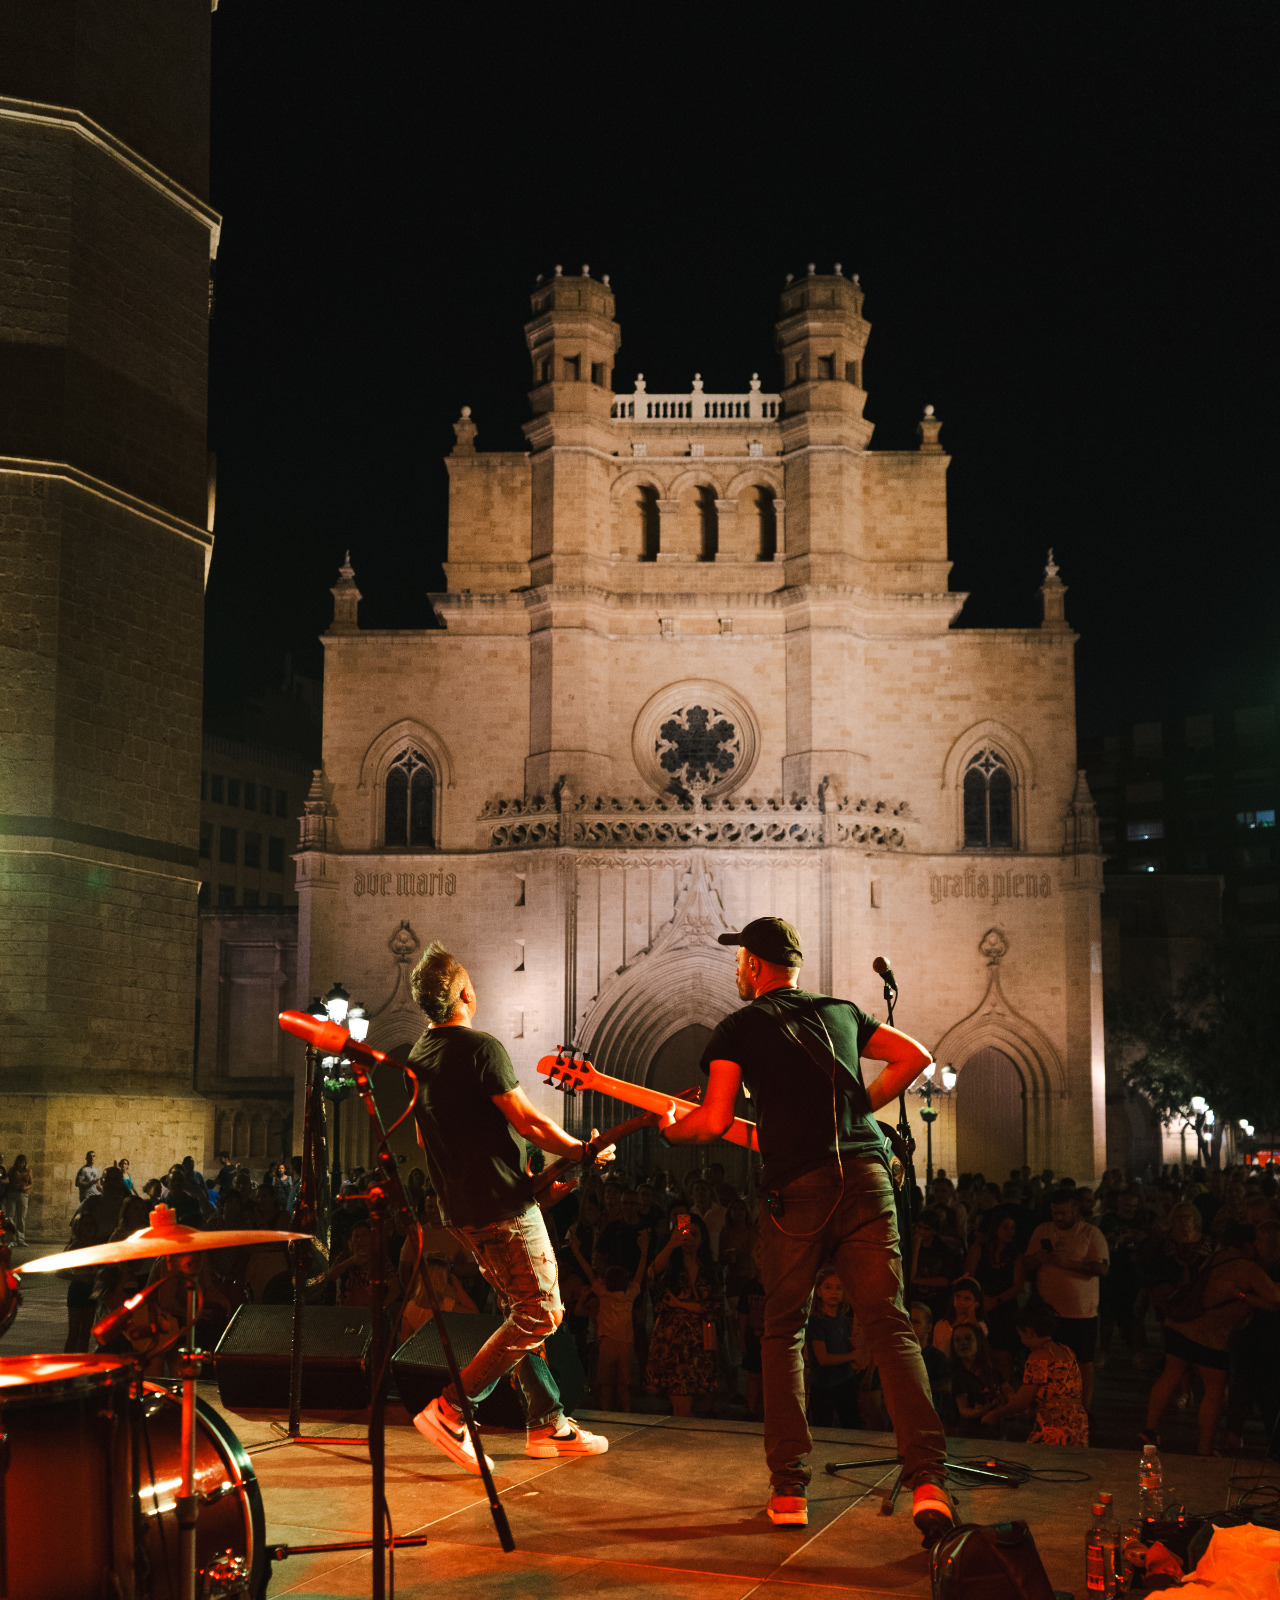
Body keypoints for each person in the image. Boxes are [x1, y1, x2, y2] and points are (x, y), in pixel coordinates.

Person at [662, 916, 953, 1540]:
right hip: (867, 1178)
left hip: (798, 1188)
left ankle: (790, 1489)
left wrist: (671, 1127)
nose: (737, 970)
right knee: (890, 1325)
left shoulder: (738, 1027)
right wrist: (859, 1108)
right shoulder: (842, 1013)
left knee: (783, 1329)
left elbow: (713, 1122)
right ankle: (929, 1481)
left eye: (740, 960)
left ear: (757, 967)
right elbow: (917, 1058)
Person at [406, 943, 611, 1473]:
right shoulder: (480, 1048)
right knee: (542, 1314)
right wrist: (582, 1151)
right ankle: (452, 1408)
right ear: (466, 994)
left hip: (467, 1208)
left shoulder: (418, 1056)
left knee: (518, 1312)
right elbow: (529, 1123)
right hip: (500, 1206)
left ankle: (548, 1425)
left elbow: (435, 1140)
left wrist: (526, 1183)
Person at [1142, 1221, 1280, 1456]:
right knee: (1214, 1389)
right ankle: (1204, 1447)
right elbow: (1276, 1299)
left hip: (1181, 1324)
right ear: (1248, 1244)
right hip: (1211, 1335)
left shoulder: (1218, 1257)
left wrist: (1242, 1295)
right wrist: (1243, 1295)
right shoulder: (1248, 1269)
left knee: (1170, 1375)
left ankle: (1149, 1429)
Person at [1023, 1188, 1109, 1410]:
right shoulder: (1042, 1230)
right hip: (1048, 1310)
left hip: (1081, 1311)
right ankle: (1050, 1403)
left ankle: (1083, 1407)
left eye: (1063, 1213)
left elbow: (1102, 1268)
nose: (1058, 1218)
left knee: (1082, 1360)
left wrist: (1070, 1264)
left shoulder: (1090, 1233)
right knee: (1047, 1357)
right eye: (1054, 1213)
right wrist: (1037, 1258)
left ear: (1075, 1210)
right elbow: (1026, 1263)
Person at [644, 1215, 723, 1415]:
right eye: (685, 1234)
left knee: (698, 1402)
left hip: (700, 1342)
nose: (688, 1239)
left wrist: (681, 1304)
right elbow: (651, 1274)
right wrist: (672, 1244)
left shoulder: (709, 1269)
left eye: (694, 1234)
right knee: (681, 1401)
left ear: (702, 1238)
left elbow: (713, 1305)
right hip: (673, 1343)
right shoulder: (670, 1266)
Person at [981, 1300, 1089, 1446]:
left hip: (1054, 1424)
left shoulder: (1039, 1357)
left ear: (1029, 1331)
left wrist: (994, 1414)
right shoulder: (1067, 1351)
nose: (1021, 1340)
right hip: (1077, 1424)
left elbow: (1022, 1402)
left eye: (1020, 1335)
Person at [570, 1225, 649, 1411]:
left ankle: (607, 1416)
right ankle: (626, 1414)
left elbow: (588, 1270)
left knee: (605, 1384)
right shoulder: (629, 1295)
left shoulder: (603, 1293)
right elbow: (639, 1275)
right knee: (623, 1385)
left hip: (606, 1343)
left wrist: (576, 1251)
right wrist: (644, 1252)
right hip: (626, 1343)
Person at [806, 1271, 865, 1428]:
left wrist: (856, 1348)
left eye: (839, 1288)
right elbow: (823, 1358)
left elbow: (846, 1348)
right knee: (822, 1426)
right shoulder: (816, 1322)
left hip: (844, 1380)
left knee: (851, 1423)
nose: (834, 1292)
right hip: (824, 1384)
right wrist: (852, 1355)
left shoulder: (843, 1319)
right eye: (828, 1287)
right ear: (818, 1291)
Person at [949, 1324, 1007, 1437]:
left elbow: (1007, 1390)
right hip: (972, 1436)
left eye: (968, 1338)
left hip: (998, 1432)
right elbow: (963, 1409)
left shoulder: (992, 1369)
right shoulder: (958, 1376)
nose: (963, 1343)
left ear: (979, 1341)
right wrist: (983, 1412)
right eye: (957, 1340)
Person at [931, 1277, 988, 1358]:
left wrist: (971, 1314)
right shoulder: (942, 1324)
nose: (961, 1302)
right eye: (958, 1296)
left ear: (976, 1302)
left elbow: (979, 1344)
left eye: (967, 1298)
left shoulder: (980, 1325)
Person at [3, 1155, 33, 1245]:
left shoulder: (28, 1171)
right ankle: (10, 1239)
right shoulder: (12, 1170)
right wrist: (15, 1186)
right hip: (12, 1194)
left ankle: (20, 1239)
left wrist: (26, 1187)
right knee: (10, 1217)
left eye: (23, 1162)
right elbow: (7, 1180)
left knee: (21, 1218)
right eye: (20, 1161)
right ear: (17, 1162)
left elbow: (31, 1183)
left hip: (23, 1195)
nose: (21, 1163)